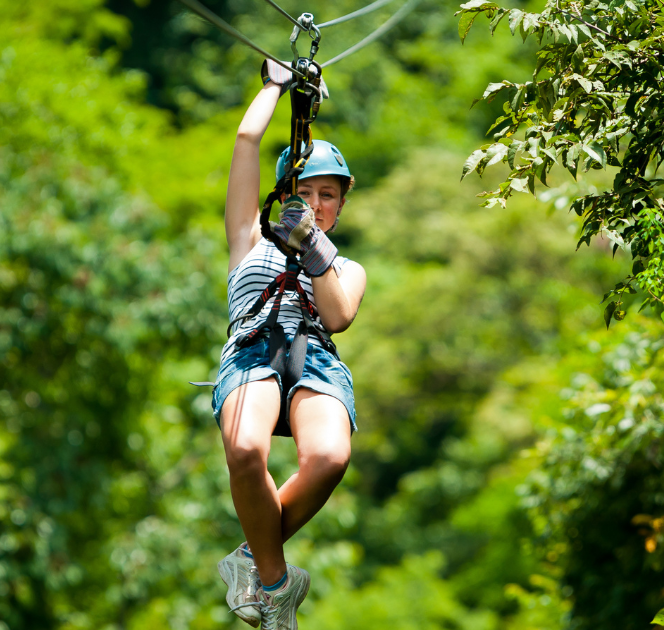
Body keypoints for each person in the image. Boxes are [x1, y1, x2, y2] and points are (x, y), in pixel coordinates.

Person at [212, 59, 367, 630]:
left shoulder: (347, 265)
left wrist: (313, 248)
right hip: (254, 349)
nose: (318, 203)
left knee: (329, 457)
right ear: (283, 194)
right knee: (247, 451)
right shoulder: (247, 238)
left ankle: (253, 557)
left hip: (316, 358)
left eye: (329, 195)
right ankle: (277, 587)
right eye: (305, 192)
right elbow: (247, 138)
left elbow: (340, 314)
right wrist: (277, 87)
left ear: (342, 205)